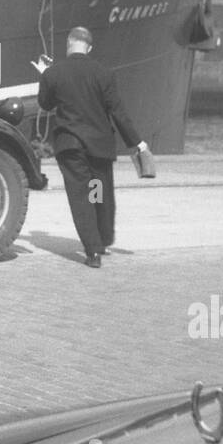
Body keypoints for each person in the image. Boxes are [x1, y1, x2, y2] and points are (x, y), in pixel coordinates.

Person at [36, 27, 149, 269]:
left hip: (70, 147)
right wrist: (137, 142)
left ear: (69, 44)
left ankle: (92, 251)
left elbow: (45, 104)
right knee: (99, 193)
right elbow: (117, 112)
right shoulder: (103, 73)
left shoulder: (53, 73)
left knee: (80, 198)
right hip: (99, 147)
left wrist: (44, 76)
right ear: (89, 47)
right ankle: (104, 240)